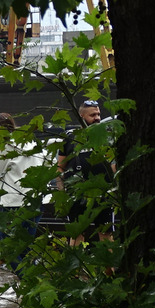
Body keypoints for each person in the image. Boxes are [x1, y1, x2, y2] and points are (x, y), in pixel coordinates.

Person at [0, 112, 47, 271]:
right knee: (25, 248)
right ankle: (33, 288)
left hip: (11, 203)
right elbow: (46, 164)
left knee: (6, 249)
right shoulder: (31, 141)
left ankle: (29, 282)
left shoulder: (5, 146)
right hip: (35, 201)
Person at [57, 100, 115, 245]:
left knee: (106, 233)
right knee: (77, 234)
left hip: (102, 193)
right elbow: (60, 167)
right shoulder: (70, 137)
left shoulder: (107, 136)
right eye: (93, 115)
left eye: (98, 114)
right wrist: (62, 192)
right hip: (76, 194)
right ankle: (74, 268)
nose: (97, 118)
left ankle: (109, 267)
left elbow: (113, 163)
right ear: (81, 116)